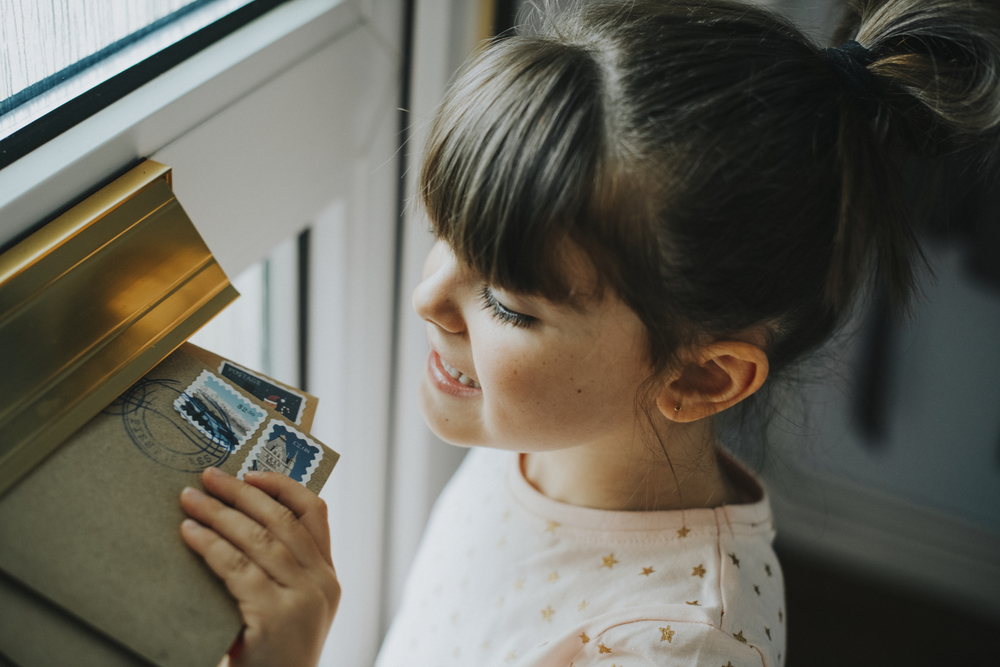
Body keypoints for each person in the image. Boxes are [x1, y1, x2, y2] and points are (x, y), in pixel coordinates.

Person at [179, 0, 1000, 665]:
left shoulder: (679, 646)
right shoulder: (543, 434)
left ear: (699, 379)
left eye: (505, 300)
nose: (430, 297)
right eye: (445, 235)